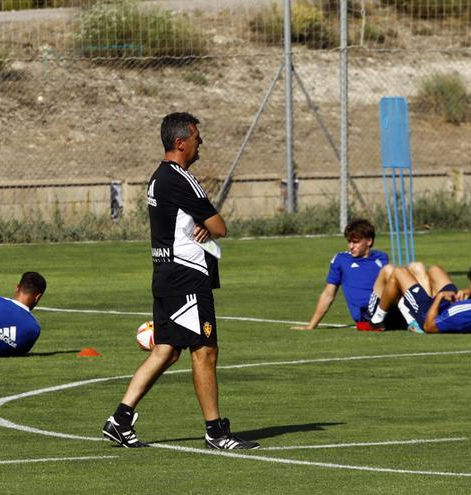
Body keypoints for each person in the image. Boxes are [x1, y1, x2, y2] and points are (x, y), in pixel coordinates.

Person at [101, 112, 258, 450]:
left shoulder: (157, 178)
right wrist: (207, 223)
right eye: (197, 138)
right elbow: (220, 227)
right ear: (181, 142)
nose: (201, 143)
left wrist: (200, 222)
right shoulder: (181, 178)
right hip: (187, 278)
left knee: (167, 351)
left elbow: (190, 221)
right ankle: (216, 432)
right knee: (205, 352)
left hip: (165, 275)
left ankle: (120, 419)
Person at [292, 219, 404, 331]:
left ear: (369, 241)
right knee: (391, 270)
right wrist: (311, 325)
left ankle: (416, 318)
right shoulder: (341, 260)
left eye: (355, 242)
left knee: (415, 268)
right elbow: (328, 294)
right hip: (367, 314)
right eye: (349, 242)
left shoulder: (381, 257)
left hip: (389, 310)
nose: (351, 246)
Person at [368, 261, 471, 334]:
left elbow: (429, 326)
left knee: (398, 272)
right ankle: (423, 291)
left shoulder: (459, 313)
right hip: (449, 305)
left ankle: (376, 320)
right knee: (435, 270)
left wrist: (440, 297)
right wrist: (469, 291)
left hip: (427, 313)